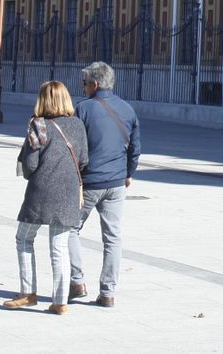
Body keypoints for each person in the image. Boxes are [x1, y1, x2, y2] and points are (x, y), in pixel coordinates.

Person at [4, 80, 88, 315]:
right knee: (59, 245)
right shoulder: (77, 125)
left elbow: (30, 164)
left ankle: (28, 292)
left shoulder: (38, 125)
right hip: (69, 191)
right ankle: (60, 301)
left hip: (41, 191)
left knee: (24, 238)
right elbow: (83, 159)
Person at [69, 61, 139, 308]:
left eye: (85, 83)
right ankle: (108, 292)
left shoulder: (83, 109)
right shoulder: (128, 109)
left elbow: (74, 147)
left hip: (89, 182)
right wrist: (128, 173)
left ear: (95, 84)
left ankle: (77, 282)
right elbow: (135, 148)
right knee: (113, 238)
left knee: (70, 229)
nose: (83, 87)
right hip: (117, 182)